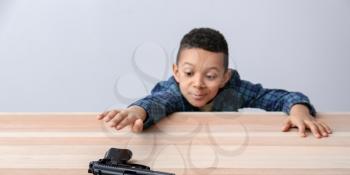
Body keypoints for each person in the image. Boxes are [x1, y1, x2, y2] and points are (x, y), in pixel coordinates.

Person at [97, 28, 332, 138]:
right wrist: (136, 111)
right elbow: (156, 102)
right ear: (177, 73)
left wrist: (299, 111)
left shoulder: (234, 89)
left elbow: (282, 97)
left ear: (224, 77)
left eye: (210, 76)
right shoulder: (173, 92)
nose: (197, 84)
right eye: (189, 73)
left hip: (222, 146)